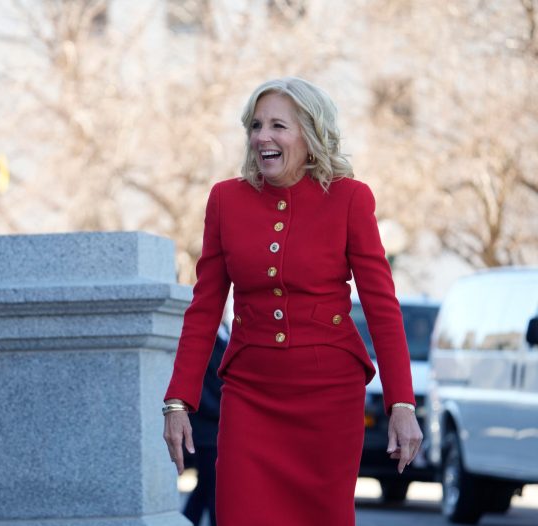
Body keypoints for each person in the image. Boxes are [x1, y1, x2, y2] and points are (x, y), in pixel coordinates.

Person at [162, 77, 423, 525]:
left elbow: (382, 307)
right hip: (250, 394)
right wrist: (177, 401)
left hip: (329, 397)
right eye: (256, 125)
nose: (262, 137)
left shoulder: (349, 198)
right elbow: (204, 308)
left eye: (278, 126)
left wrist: (402, 403)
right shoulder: (225, 200)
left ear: (310, 134)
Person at [182, 325, 227, 526]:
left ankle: (186, 521)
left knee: (205, 488)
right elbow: (199, 388)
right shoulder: (204, 338)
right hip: (208, 431)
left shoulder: (226, 333)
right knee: (215, 489)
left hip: (218, 429)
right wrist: (225, 409)